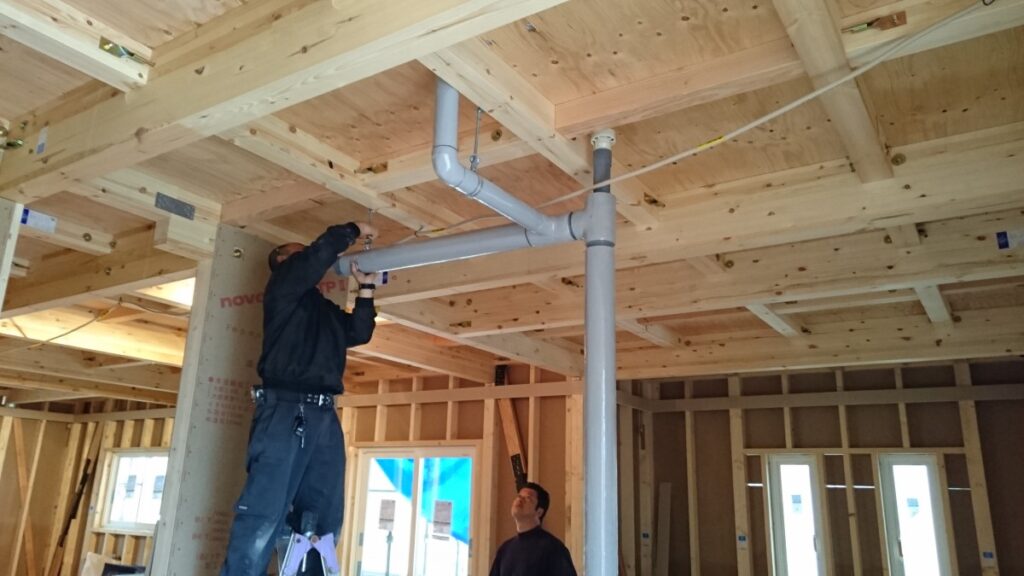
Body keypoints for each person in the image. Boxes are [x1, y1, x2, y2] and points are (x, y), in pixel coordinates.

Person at [221, 221, 379, 575]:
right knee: (264, 513)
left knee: (323, 516)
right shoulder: (282, 291)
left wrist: (366, 288)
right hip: (285, 409)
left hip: (323, 415)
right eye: (297, 252)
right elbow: (312, 260)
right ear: (282, 262)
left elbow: (358, 332)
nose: (306, 253)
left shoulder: (323, 311)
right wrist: (352, 229)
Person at [489, 482, 578, 576]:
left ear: (539, 512)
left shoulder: (554, 548)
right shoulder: (505, 549)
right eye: (519, 496)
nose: (520, 500)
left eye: (528, 498)